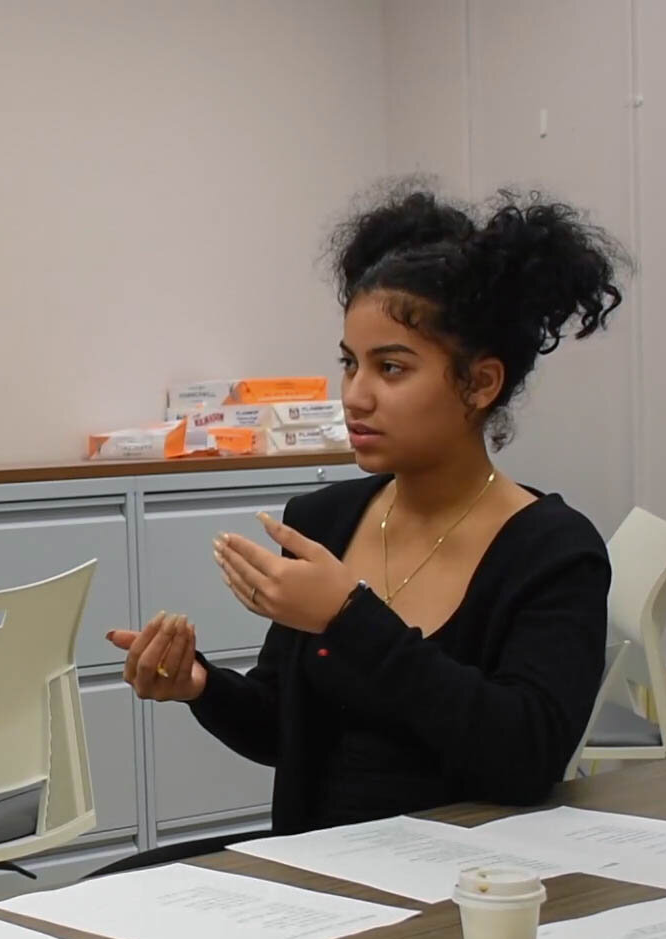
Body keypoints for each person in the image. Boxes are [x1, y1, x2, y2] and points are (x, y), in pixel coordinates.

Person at [109, 187, 622, 839]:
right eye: (350, 365)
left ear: (480, 383)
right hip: (320, 877)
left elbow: (523, 759)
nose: (355, 396)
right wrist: (198, 684)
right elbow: (281, 729)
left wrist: (347, 617)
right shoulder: (324, 521)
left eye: (392, 368)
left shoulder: (552, 551)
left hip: (467, 890)